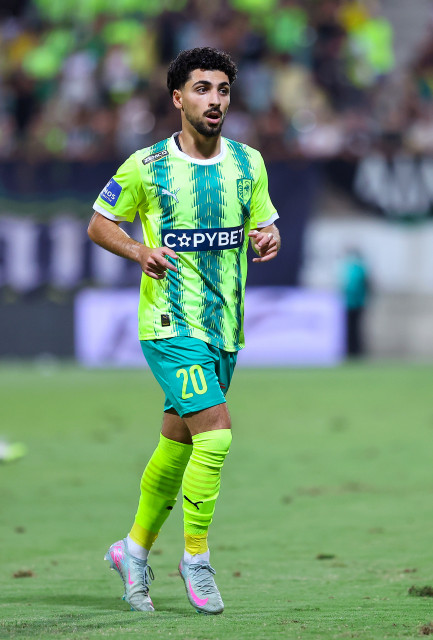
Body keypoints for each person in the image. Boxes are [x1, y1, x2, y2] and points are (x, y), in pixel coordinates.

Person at [88, 47, 281, 615]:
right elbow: (99, 223)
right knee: (215, 434)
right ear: (178, 98)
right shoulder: (146, 165)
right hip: (169, 325)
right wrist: (138, 249)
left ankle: (133, 549)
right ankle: (195, 557)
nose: (214, 100)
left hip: (224, 330)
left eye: (222, 90)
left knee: (178, 443)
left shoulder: (248, 163)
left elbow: (265, 225)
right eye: (202, 89)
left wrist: (269, 237)